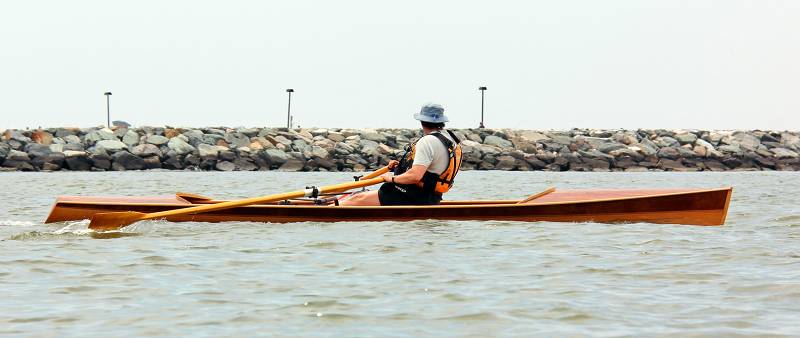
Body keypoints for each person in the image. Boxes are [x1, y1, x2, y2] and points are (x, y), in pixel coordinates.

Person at [339, 103, 463, 206]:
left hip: (410, 196)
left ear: (421, 121)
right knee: (359, 196)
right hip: (431, 197)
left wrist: (391, 178)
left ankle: (325, 211)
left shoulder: (427, 141)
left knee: (356, 198)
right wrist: (401, 167)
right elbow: (433, 167)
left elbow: (415, 176)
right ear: (441, 122)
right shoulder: (451, 140)